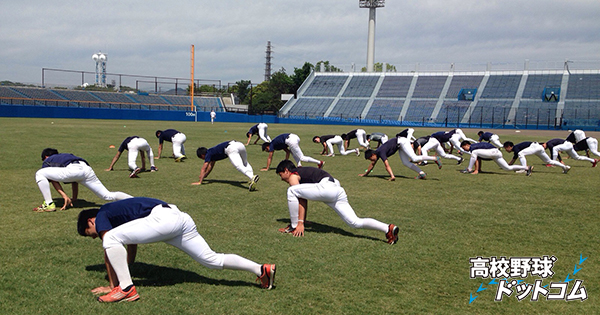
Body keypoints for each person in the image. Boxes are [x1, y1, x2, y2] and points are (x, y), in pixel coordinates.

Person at [77, 197, 276, 303]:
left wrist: (114, 285)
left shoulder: (102, 213)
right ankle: (261, 270)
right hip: (179, 217)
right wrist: (126, 265)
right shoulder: (118, 212)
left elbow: (108, 248)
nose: (95, 236)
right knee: (212, 260)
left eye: (91, 233)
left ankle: (126, 289)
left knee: (110, 238)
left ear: (90, 220)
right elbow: (131, 244)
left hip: (164, 220)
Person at [275, 160, 398, 244]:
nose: (282, 179)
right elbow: (303, 196)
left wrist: (299, 224)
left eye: (281, 175)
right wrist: (303, 220)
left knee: (291, 191)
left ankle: (293, 226)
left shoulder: (293, 174)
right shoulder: (302, 172)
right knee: (354, 222)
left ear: (286, 170)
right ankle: (388, 228)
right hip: (337, 190)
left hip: (327, 188)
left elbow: (301, 198)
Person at [33, 148, 133, 212]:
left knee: (40, 173)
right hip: (86, 169)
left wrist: (64, 196)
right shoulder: (65, 156)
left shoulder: (48, 161)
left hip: (73, 170)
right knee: (107, 195)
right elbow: (75, 180)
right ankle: (136, 201)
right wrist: (74, 198)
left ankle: (48, 204)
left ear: (46, 157)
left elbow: (53, 180)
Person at [359, 132, 440, 181]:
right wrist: (365, 174)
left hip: (402, 142)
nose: (371, 160)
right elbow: (372, 165)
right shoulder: (377, 153)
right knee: (405, 162)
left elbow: (387, 165)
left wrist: (392, 176)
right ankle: (422, 173)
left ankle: (434, 158)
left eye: (370, 159)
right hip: (399, 145)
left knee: (414, 158)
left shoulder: (381, 152)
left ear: (373, 155)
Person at [193, 141, 260, 191]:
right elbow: (210, 166)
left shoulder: (208, 154)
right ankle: (252, 178)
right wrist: (205, 176)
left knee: (238, 166)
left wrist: (200, 182)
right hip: (239, 144)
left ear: (202, 155)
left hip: (231, 148)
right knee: (245, 163)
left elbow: (204, 168)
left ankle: (252, 177)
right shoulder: (212, 154)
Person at [460, 141, 532, 175]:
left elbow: (476, 158)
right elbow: (477, 159)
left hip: (493, 152)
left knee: (474, 152)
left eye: (464, 148)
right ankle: (526, 168)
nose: (464, 150)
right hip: (496, 153)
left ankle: (469, 169)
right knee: (507, 168)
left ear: (467, 145)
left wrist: (475, 170)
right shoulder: (475, 148)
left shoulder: (473, 147)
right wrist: (478, 169)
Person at [503, 141, 571, 174]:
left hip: (534, 147)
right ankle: (565, 167)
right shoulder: (516, 148)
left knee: (520, 154)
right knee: (549, 161)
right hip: (539, 147)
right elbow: (514, 158)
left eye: (506, 148)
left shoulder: (515, 148)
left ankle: (525, 169)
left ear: (509, 147)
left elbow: (516, 156)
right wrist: (508, 165)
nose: (506, 150)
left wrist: (508, 165)